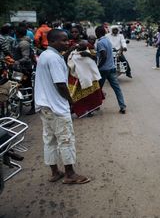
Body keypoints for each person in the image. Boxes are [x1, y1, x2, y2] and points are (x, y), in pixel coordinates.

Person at [34, 29, 90, 184]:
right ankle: (70, 174)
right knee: (65, 140)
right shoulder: (54, 59)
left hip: (45, 106)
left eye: (67, 40)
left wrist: (69, 51)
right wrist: (71, 101)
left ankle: (54, 172)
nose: (67, 42)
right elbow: (60, 84)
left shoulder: (46, 55)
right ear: (51, 42)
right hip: (57, 107)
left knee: (49, 140)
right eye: (63, 40)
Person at [67, 40, 103, 118]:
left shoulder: (89, 53)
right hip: (77, 80)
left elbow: (95, 60)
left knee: (91, 96)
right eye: (79, 45)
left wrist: (88, 55)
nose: (80, 47)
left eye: (82, 46)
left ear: (86, 47)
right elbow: (69, 64)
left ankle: (89, 111)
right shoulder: (73, 53)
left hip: (90, 79)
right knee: (74, 96)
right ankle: (72, 111)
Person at [95, 26, 127, 114]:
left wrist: (98, 67)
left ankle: (95, 106)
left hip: (103, 69)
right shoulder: (108, 40)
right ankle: (122, 106)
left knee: (98, 88)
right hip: (112, 68)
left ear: (98, 33)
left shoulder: (100, 42)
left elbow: (104, 56)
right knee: (117, 89)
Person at [13, 26, 35, 114]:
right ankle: (23, 102)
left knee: (27, 86)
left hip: (24, 69)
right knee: (19, 85)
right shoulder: (19, 42)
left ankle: (33, 106)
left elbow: (26, 58)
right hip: (19, 69)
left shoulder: (23, 43)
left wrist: (16, 62)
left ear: (18, 33)